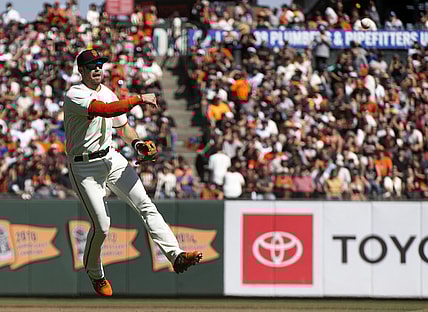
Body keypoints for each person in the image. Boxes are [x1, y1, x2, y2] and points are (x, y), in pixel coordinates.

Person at [63, 49, 202, 297]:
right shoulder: (75, 94)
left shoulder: (107, 91)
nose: (97, 68)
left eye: (100, 64)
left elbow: (124, 128)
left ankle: (176, 255)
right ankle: (96, 274)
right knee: (102, 226)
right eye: (91, 65)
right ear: (81, 70)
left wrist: (137, 144)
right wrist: (138, 98)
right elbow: (105, 111)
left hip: (110, 157)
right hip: (84, 167)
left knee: (146, 205)